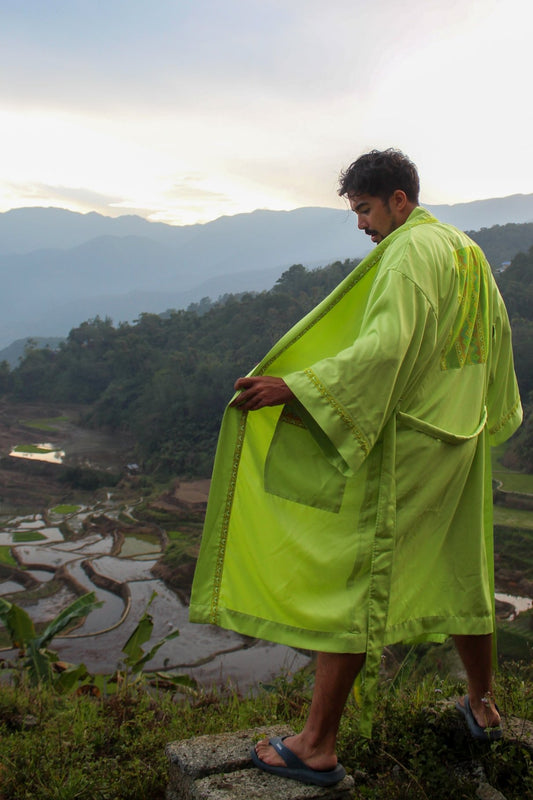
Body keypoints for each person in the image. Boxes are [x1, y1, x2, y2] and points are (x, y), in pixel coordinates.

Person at [189, 149, 522, 786]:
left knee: (352, 576)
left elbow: (387, 346)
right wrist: (487, 415)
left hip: (408, 443)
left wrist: (299, 387)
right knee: (464, 566)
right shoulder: (467, 251)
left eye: (366, 209)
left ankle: (316, 744)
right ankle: (482, 705)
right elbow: (497, 335)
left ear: (400, 200)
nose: (363, 226)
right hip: (460, 437)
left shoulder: (406, 253)